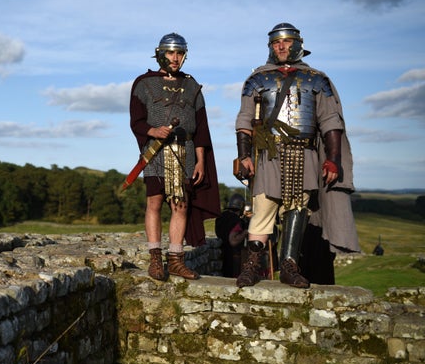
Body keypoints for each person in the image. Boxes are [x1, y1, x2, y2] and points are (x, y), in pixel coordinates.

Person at [234, 23, 359, 288]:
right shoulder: (257, 79)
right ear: (270, 47)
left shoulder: (316, 79)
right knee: (263, 207)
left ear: (299, 45)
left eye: (287, 42)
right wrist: (244, 156)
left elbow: (330, 122)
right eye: (277, 43)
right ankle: (253, 265)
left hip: (304, 154)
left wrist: (333, 159)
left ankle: (289, 266)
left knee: (297, 210)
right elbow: (244, 120)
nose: (281, 46)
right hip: (268, 153)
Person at [130, 32, 221, 281]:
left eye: (179, 53)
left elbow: (201, 127)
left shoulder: (192, 86)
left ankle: (176, 260)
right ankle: (155, 260)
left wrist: (201, 159)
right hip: (156, 151)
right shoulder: (144, 83)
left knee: (180, 205)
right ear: (160, 53)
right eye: (171, 53)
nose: (175, 58)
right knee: (154, 203)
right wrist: (152, 130)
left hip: (186, 152)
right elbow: (136, 121)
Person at [215, 194, 248, 278]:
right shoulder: (236, 221)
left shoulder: (220, 217)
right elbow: (233, 241)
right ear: (241, 206)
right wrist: (246, 232)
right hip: (232, 257)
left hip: (221, 253)